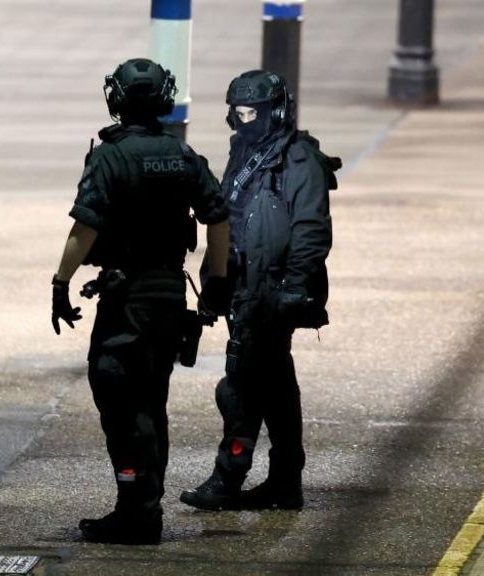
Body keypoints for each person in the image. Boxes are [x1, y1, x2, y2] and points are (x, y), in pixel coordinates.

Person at [51, 58, 231, 544]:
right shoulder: (182, 155)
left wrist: (61, 282)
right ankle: (144, 506)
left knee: (118, 399)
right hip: (169, 295)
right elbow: (218, 216)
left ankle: (137, 512)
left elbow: (86, 225)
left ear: (116, 100)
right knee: (152, 402)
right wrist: (217, 280)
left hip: (126, 298)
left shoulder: (110, 157)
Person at [180, 70, 339, 512]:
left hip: (272, 290)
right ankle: (285, 480)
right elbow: (227, 219)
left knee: (241, 386)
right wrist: (214, 281)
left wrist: (294, 286)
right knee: (275, 385)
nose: (244, 121)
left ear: (275, 112)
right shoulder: (244, 152)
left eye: (252, 113)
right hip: (243, 286)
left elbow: (311, 228)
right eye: (238, 113)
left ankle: (229, 476)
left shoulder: (299, 159)